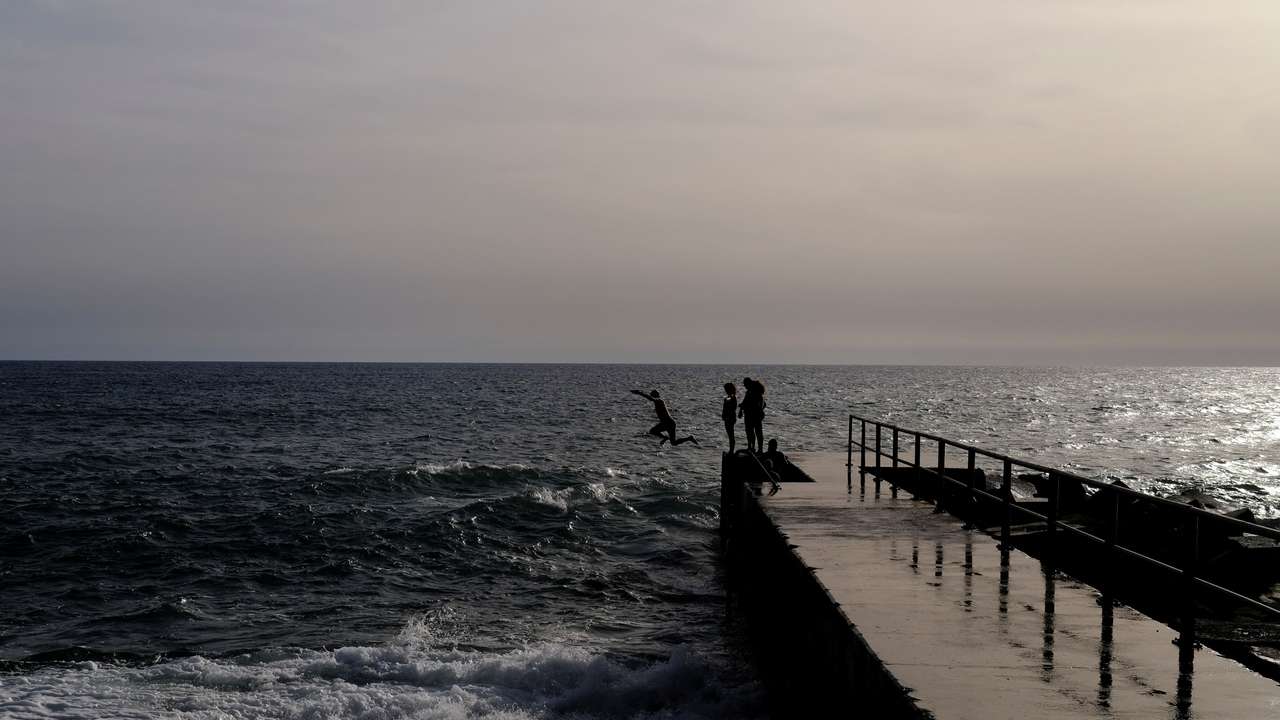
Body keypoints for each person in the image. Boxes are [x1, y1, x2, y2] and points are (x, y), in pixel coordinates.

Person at [630, 389, 699, 447]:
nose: (651, 396)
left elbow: (650, 398)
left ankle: (665, 437)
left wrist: (640, 393)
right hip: (670, 423)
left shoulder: (659, 401)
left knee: (652, 431)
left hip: (668, 422)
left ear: (655, 396)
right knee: (673, 443)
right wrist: (640, 392)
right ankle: (689, 438)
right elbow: (650, 398)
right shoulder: (657, 401)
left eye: (652, 395)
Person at [738, 377, 766, 453]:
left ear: (749, 384)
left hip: (755, 415)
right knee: (750, 432)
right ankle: (751, 447)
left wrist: (744, 407)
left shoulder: (756, 392)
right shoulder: (749, 392)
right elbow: (745, 402)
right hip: (749, 415)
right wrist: (741, 409)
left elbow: (760, 404)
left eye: (745, 385)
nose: (744, 386)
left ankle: (759, 449)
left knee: (757, 432)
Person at [721, 382, 738, 453]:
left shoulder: (732, 397)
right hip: (728, 417)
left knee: (731, 435)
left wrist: (726, 416)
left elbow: (731, 408)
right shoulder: (729, 397)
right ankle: (731, 450)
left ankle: (731, 450)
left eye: (726, 389)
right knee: (730, 435)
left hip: (730, 418)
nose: (725, 390)